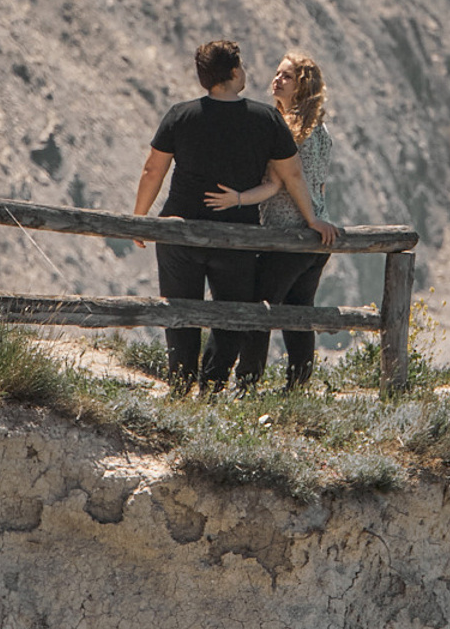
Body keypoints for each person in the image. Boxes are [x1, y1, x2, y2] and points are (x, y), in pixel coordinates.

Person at [133, 38, 336, 389]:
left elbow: (153, 170)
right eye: (241, 66)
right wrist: (313, 217)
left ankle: (180, 387)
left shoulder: (180, 115)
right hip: (236, 236)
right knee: (233, 315)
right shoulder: (266, 118)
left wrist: (139, 218)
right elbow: (292, 175)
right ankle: (213, 388)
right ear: (232, 72)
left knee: (180, 312)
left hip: (179, 231)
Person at [208, 53, 335, 388]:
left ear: (302, 85)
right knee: (299, 312)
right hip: (315, 238)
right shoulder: (321, 131)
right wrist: (318, 219)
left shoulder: (288, 132)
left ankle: (247, 383)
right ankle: (298, 384)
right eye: (278, 73)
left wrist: (237, 198)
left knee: (259, 309)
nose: (277, 80)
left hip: (289, 235)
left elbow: (282, 183)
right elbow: (319, 184)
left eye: (287, 76)